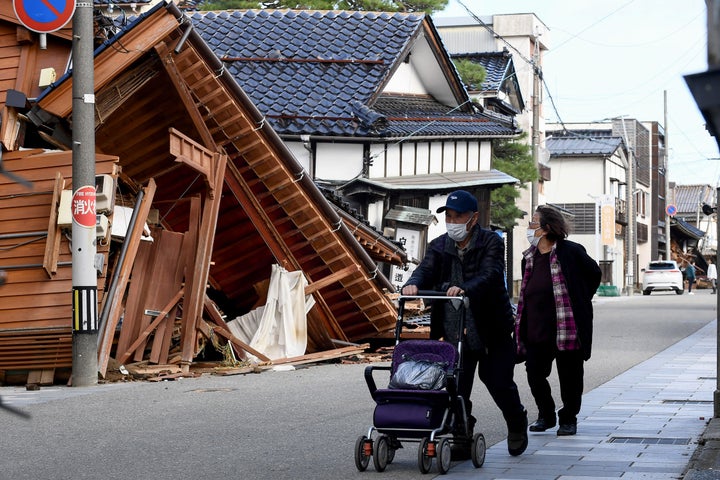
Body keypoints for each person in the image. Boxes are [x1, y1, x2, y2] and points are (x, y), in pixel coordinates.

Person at [401, 190, 528, 457]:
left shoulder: (491, 242)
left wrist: (464, 288)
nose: (452, 221)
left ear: (473, 219)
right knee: (456, 384)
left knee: (498, 381)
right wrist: (413, 284)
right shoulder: (439, 245)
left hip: (491, 325)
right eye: (448, 216)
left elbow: (492, 273)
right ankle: (462, 433)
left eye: (458, 216)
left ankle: (516, 423)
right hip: (455, 327)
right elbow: (426, 268)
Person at [515, 205, 601, 437]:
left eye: (533, 222)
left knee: (570, 376)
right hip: (536, 326)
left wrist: (581, 299)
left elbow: (594, 273)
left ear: (545, 229)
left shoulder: (570, 251)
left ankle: (568, 419)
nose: (529, 227)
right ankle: (546, 414)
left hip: (566, 327)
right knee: (534, 372)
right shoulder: (529, 258)